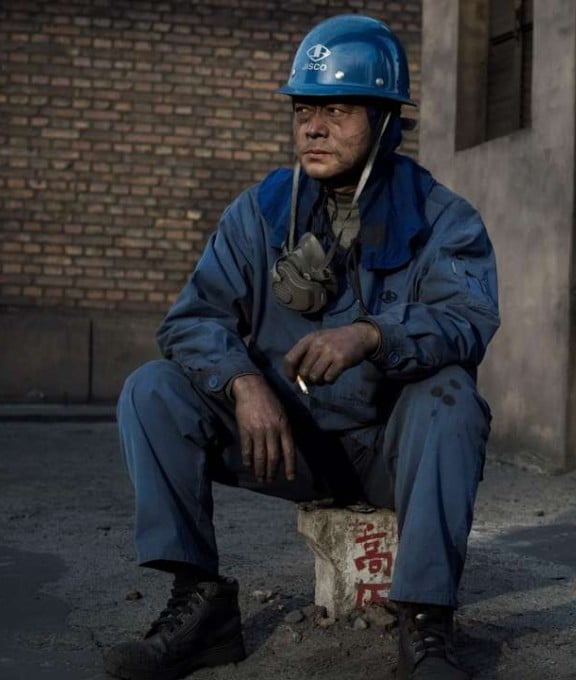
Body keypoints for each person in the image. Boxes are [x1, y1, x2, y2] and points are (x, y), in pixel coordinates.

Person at [103, 14, 499, 680]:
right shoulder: (260, 211)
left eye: (337, 109)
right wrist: (242, 382)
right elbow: (190, 319)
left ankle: (428, 625)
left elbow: (468, 320)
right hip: (284, 441)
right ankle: (198, 605)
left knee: (452, 396)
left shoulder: (443, 217)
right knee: (152, 390)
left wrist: (375, 334)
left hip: (388, 453)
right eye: (304, 109)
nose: (313, 127)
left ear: (385, 120)